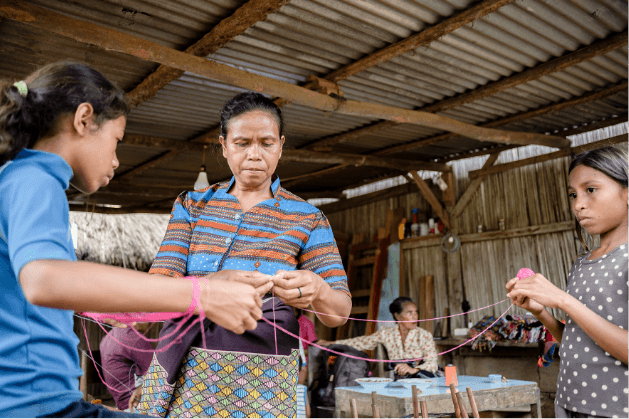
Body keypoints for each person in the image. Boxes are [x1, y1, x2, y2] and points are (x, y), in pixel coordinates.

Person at [0, 62, 269, 418]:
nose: (115, 161)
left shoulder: (17, 178)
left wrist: (210, 284)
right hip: (37, 408)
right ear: (84, 120)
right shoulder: (35, 179)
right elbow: (44, 279)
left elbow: (49, 290)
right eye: (116, 141)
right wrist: (202, 294)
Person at [140, 92, 351, 417]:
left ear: (280, 146)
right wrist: (210, 287)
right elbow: (157, 289)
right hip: (188, 377)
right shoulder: (192, 206)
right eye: (242, 143)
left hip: (265, 383)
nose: (254, 154)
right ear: (224, 146)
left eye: (266, 143)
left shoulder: (308, 218)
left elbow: (339, 313)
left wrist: (319, 290)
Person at [507, 145, 628, 419]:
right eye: (573, 194)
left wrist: (563, 300)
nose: (578, 204)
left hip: (614, 410)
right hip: (570, 403)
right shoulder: (582, 264)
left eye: (591, 190)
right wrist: (541, 312)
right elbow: (577, 340)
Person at [318, 296, 438, 377]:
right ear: (397, 316)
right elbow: (361, 342)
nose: (415, 316)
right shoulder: (386, 334)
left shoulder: (424, 335)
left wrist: (414, 369)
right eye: (409, 312)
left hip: (422, 380)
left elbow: (433, 363)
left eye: (416, 312)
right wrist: (332, 343)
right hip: (400, 382)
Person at [99, 323, 154, 412]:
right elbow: (160, 372)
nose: (151, 322)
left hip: (123, 404)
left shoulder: (107, 337)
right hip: (137, 407)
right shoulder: (133, 338)